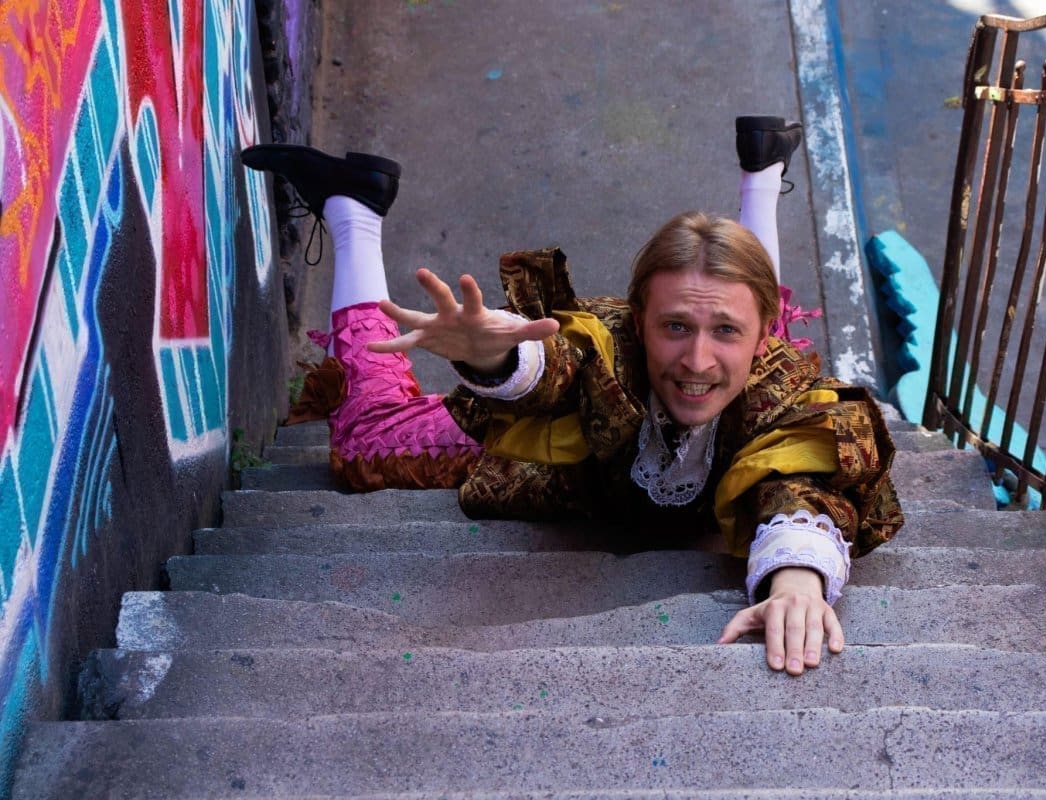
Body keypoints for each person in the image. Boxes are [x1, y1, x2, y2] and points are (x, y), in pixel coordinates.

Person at [241, 116, 903, 677]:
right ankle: (354, 210)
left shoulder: (784, 394)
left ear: (760, 340)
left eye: (728, 332)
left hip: (746, 384)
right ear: (637, 319)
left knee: (735, 350)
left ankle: (761, 179)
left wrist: (797, 580)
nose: (698, 359)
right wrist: (493, 356)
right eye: (673, 326)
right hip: (556, 450)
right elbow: (564, 359)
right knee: (367, 446)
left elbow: (801, 478)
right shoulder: (610, 346)